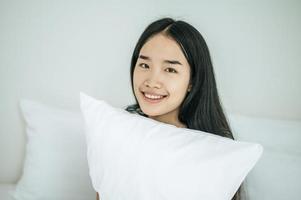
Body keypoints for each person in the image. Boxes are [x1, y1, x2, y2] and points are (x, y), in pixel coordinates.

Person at [96, 17, 245, 200]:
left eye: (170, 70)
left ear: (192, 81)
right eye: (144, 65)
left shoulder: (210, 150)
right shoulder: (118, 128)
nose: (151, 81)